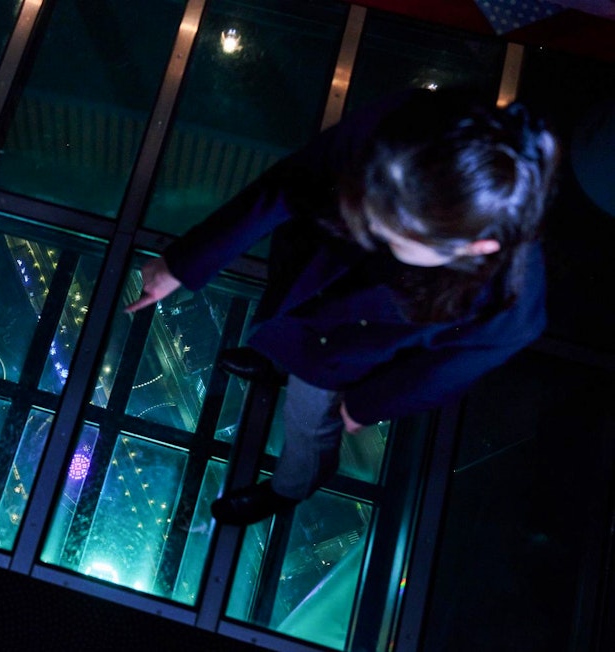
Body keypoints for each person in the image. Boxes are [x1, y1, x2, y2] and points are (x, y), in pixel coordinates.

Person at [126, 90, 559, 525]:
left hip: (344, 353)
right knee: (282, 326)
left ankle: (290, 488)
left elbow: (443, 372)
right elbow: (289, 183)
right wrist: (184, 263)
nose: (368, 231)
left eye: (394, 236)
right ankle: (277, 360)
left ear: (474, 248)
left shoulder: (510, 304)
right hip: (311, 280)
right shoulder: (408, 128)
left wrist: (368, 404)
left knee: (309, 429)